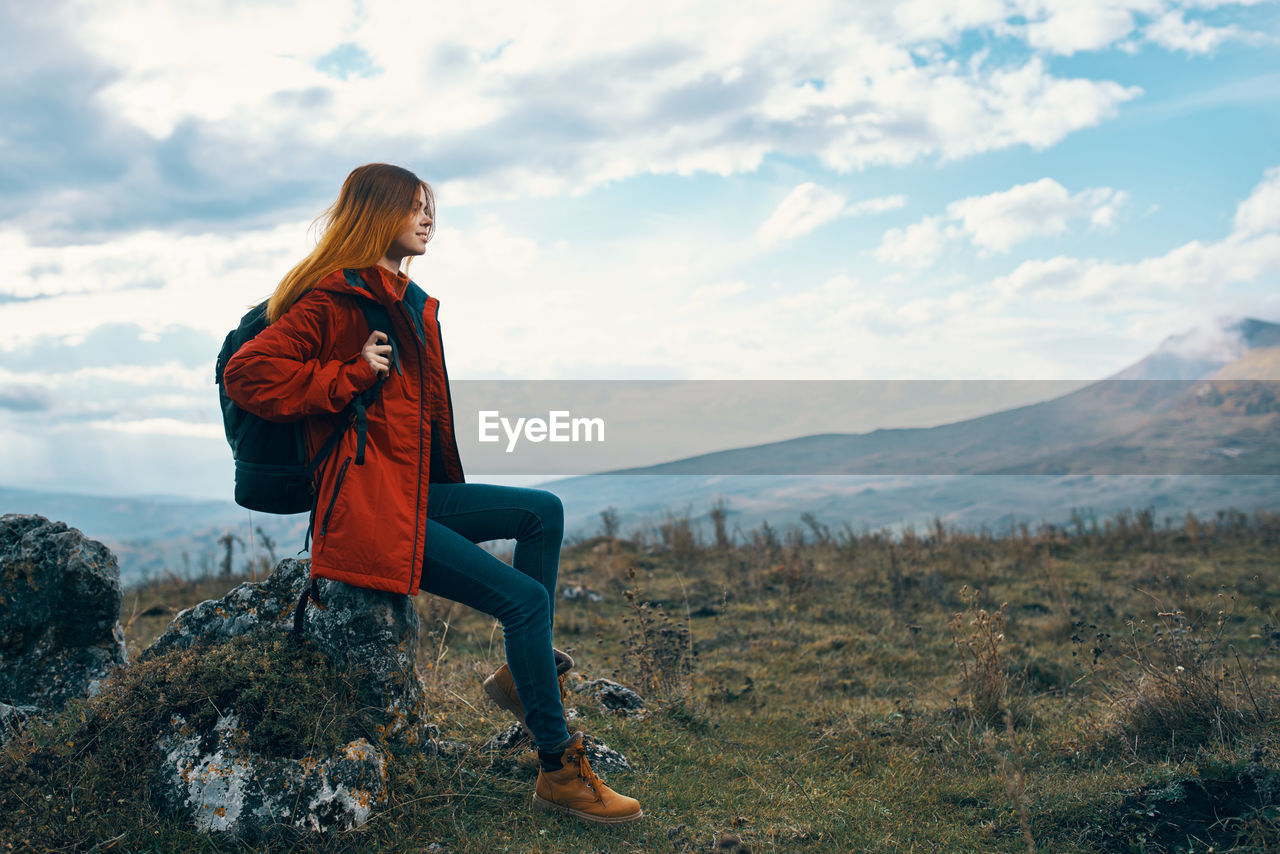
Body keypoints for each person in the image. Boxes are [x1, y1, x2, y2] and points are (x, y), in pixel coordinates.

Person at [222, 163, 643, 825]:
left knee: (544, 513)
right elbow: (247, 374)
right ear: (376, 213)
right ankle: (561, 769)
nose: (428, 219)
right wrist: (347, 376)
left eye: (430, 208)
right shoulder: (334, 301)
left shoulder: (404, 302)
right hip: (365, 510)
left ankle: (519, 677)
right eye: (415, 207)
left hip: (408, 496)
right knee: (524, 601)